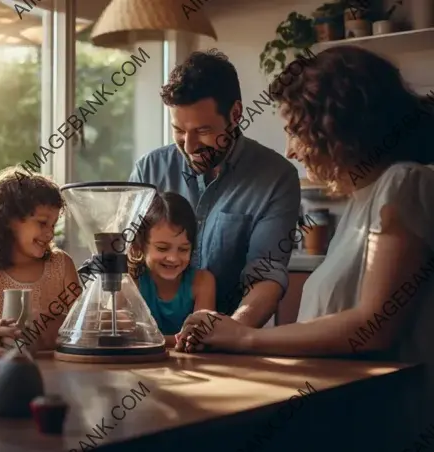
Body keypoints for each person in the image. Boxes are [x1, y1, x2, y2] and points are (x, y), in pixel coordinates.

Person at [176, 46, 434, 446]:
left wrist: (245, 338)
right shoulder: (362, 201)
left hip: (390, 424)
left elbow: (374, 326)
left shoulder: (404, 184)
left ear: (341, 128)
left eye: (296, 132)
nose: (291, 150)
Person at [129, 49, 301, 325]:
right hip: (149, 345)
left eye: (203, 131)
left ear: (235, 114)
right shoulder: (148, 170)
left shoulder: (277, 178)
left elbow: (266, 276)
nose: (189, 146)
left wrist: (230, 333)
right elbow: (126, 263)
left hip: (231, 341)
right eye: (179, 131)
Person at [0, 166, 80, 358]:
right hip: (6, 372)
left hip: (61, 369)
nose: (50, 233)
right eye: (42, 223)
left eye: (53, 225)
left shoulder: (62, 265)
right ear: (9, 220)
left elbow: (83, 326)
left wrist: (52, 323)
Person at [127, 192, 215, 347]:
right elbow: (124, 336)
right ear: (138, 247)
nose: (173, 258)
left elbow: (199, 337)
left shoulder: (202, 282)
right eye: (162, 248)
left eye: (183, 249)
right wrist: (176, 339)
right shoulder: (130, 281)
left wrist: (144, 337)